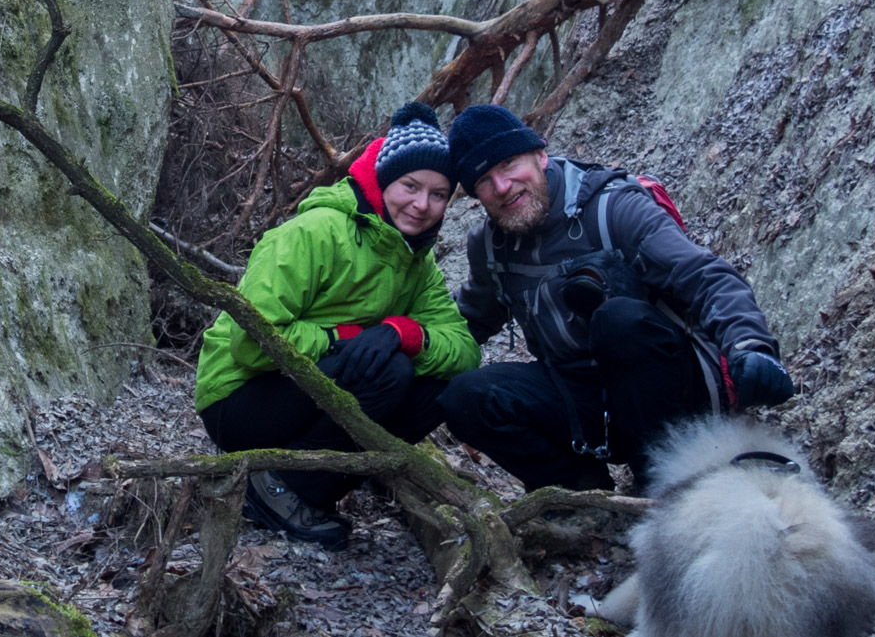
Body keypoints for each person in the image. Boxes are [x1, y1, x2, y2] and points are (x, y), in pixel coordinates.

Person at [437, 104, 794, 493]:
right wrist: (407, 349)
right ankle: (579, 489)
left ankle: (661, 476)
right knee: (466, 397)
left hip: (669, 390)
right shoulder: (490, 245)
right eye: (484, 180)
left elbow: (701, 275)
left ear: (539, 154)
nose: (502, 186)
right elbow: (470, 319)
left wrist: (749, 345)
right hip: (584, 403)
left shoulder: (612, 207)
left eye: (508, 164)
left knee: (619, 321)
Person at [193, 103, 481, 547]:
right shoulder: (315, 232)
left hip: (307, 389)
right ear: (385, 180)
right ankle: (275, 486)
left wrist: (404, 333)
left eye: (439, 194)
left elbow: (464, 352)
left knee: (442, 388)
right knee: (390, 371)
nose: (422, 205)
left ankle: (299, 487)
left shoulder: (416, 263)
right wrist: (342, 338)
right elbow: (251, 344)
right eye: (410, 186)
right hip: (239, 398)